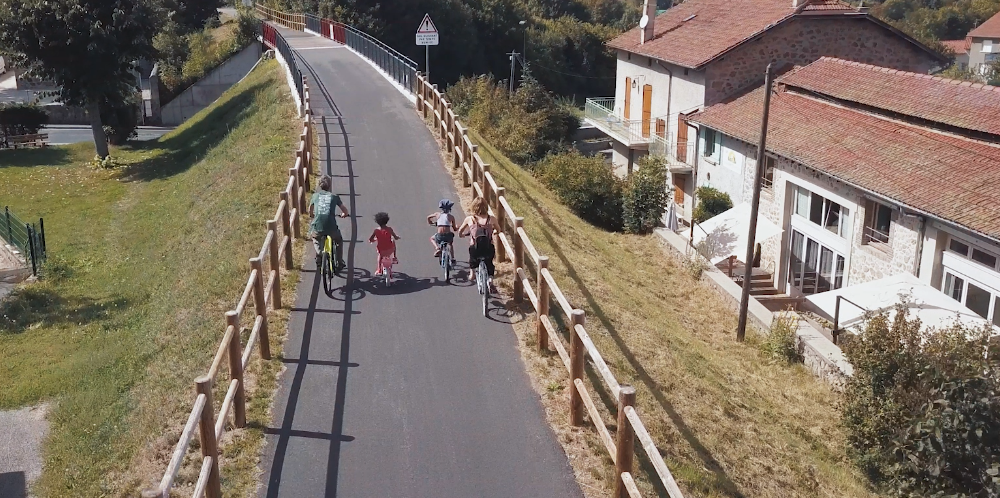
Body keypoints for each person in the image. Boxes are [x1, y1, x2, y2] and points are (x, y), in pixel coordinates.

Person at [308, 175, 350, 269]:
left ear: (319, 185)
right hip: (331, 227)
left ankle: (319, 253)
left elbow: (310, 209)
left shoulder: (315, 196)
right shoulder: (334, 197)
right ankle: (339, 262)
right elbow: (345, 211)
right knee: (338, 240)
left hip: (318, 226)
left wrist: (312, 215)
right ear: (330, 185)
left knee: (315, 238)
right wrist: (344, 214)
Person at [458, 197, 497, 291]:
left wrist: (461, 235)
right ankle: (490, 279)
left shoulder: (470, 219)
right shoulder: (491, 219)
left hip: (475, 247)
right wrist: (494, 231)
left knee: (473, 259)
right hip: (488, 247)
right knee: (489, 262)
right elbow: (498, 230)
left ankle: (472, 274)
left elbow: (460, 231)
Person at [368, 211, 400, 276]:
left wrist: (373, 240)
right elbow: (395, 237)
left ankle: (379, 269)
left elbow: (370, 239)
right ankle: (394, 257)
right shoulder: (389, 229)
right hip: (390, 249)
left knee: (380, 257)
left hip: (381, 250)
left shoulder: (376, 231)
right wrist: (397, 237)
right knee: (393, 241)